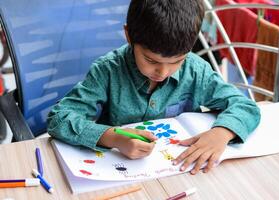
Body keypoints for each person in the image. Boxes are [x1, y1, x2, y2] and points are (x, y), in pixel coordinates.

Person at [47, 0, 260, 174]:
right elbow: (59, 118)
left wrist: (222, 133)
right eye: (151, 60)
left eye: (177, 61)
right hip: (120, 171)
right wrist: (112, 137)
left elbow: (245, 106)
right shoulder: (108, 71)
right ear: (129, 36)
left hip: (178, 173)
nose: (163, 72)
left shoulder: (196, 70)